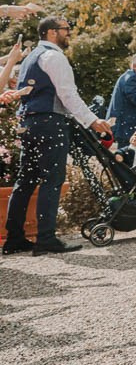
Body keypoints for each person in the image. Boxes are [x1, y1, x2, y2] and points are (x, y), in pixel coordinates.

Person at [3, 17, 112, 255]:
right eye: (66, 29)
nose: (69, 33)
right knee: (52, 180)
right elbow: (67, 94)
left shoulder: (32, 56)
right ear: (52, 32)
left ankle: (14, 239)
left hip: (29, 123)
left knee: (25, 181)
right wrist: (92, 121)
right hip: (49, 123)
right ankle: (46, 240)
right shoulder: (54, 57)